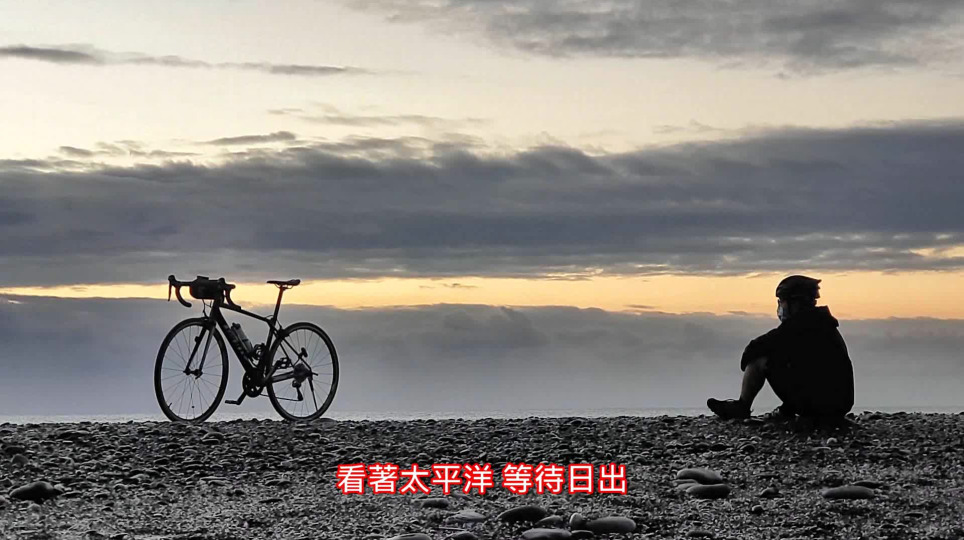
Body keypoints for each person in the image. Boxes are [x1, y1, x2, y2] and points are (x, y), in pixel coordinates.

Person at [707, 275, 854, 422]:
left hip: (818, 407)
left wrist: (749, 364)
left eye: (781, 301)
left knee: (760, 359)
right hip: (840, 405)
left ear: (794, 303)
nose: (780, 306)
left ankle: (742, 406)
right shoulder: (824, 325)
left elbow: (755, 348)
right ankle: (787, 410)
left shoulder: (796, 327)